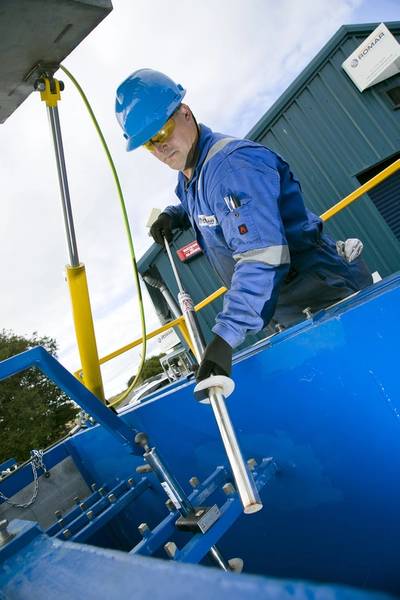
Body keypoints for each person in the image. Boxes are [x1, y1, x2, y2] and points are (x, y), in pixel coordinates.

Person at [115, 68, 372, 382]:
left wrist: (225, 338)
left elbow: (261, 255)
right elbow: (205, 207)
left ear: (185, 113)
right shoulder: (193, 175)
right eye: (147, 144)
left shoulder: (231, 166)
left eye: (161, 133)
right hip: (284, 306)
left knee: (362, 380)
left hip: (321, 296)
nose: (159, 148)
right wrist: (174, 215)